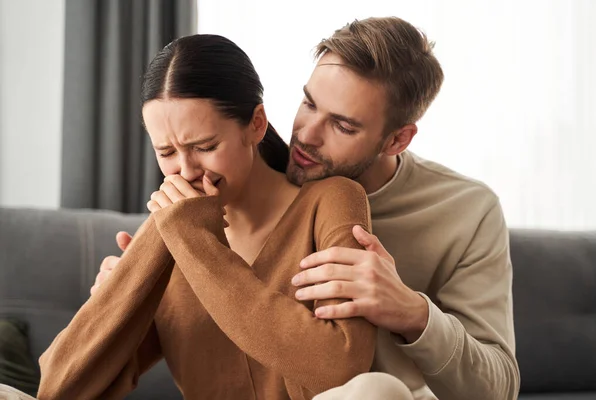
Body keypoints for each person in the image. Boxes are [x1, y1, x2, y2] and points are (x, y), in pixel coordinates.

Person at [95, 16, 521, 400]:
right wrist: (128, 300)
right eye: (309, 103)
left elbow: (498, 387)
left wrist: (412, 313)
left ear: (397, 140)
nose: (306, 135)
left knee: (376, 391)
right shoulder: (242, 181)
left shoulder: (466, 210)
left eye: (342, 125)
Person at [32, 34, 377, 400]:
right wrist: (136, 269)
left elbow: (341, 370)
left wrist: (193, 239)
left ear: (256, 124)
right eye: (166, 152)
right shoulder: (174, 233)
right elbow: (59, 389)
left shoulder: (330, 201)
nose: (185, 171)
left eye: (205, 147)